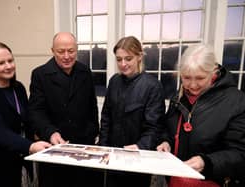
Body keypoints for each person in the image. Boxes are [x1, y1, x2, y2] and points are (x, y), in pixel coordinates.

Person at [157, 44, 245, 187]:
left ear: (213, 73)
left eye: (200, 78)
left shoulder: (236, 101)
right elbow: (168, 129)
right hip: (176, 180)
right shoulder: (178, 97)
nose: (192, 85)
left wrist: (207, 162)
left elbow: (240, 153)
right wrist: (166, 142)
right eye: (186, 78)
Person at [0, 41, 51, 187]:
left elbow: (28, 120)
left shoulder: (18, 88)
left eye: (10, 60)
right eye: (1, 63)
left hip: (17, 161)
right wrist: (31, 146)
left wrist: (49, 134)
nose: (8, 66)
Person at [28, 32, 102, 187]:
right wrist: (50, 132)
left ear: (77, 49)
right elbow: (36, 111)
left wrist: (92, 131)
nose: (67, 56)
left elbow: (92, 107)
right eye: (61, 51)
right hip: (54, 147)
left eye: (71, 51)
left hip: (83, 147)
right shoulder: (40, 74)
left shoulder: (85, 71)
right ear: (53, 51)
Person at [99, 36, 166, 187]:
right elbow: (106, 117)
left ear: (139, 56)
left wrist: (140, 147)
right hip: (113, 156)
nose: (123, 64)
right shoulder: (114, 81)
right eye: (119, 59)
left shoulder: (152, 86)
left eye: (128, 59)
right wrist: (103, 147)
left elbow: (155, 127)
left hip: (137, 159)